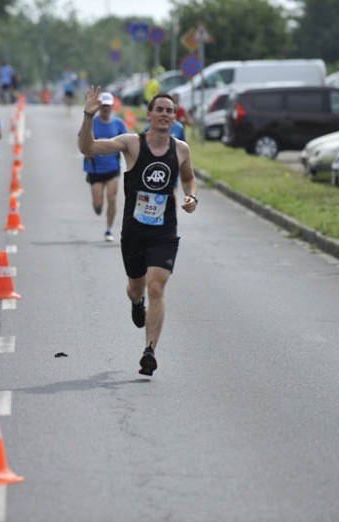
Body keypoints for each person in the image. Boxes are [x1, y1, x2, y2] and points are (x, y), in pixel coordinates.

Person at [78, 86, 198, 377]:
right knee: (137, 287)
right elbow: (88, 148)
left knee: (156, 286)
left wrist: (191, 197)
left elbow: (188, 178)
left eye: (170, 111)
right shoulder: (132, 143)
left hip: (164, 231)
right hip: (134, 230)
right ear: (149, 115)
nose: (165, 115)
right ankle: (136, 302)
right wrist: (88, 116)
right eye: (159, 110)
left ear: (174, 117)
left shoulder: (181, 149)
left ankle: (149, 351)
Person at [80, 92, 127, 242]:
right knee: (98, 205)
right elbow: (81, 141)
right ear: (99, 107)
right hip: (95, 168)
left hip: (113, 167)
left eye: (108, 106)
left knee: (112, 198)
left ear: (112, 106)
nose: (106, 109)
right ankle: (97, 206)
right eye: (103, 106)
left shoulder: (118, 124)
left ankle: (109, 229)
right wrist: (86, 152)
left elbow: (127, 143)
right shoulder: (92, 123)